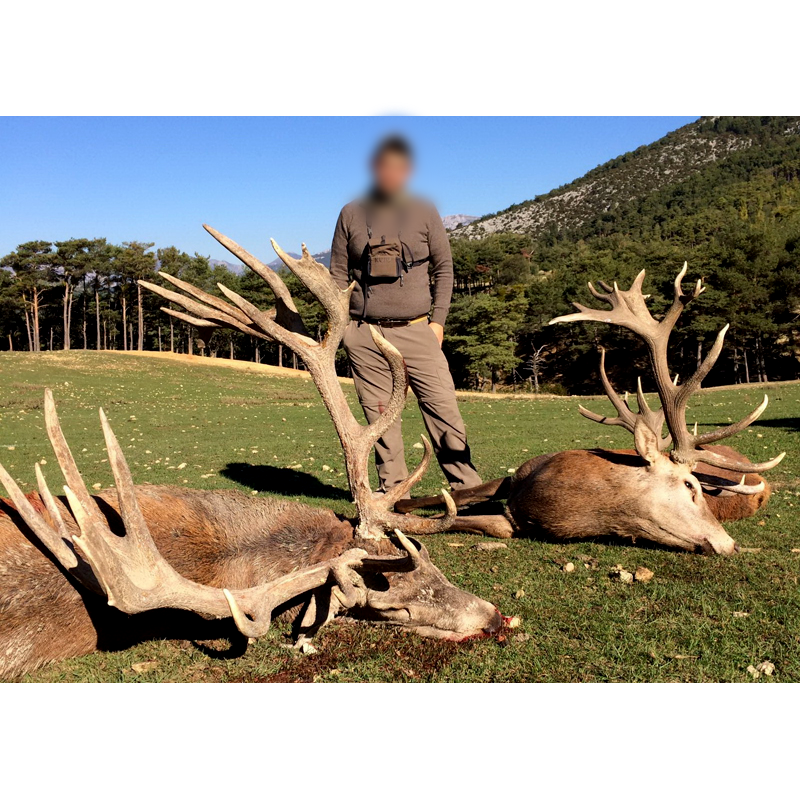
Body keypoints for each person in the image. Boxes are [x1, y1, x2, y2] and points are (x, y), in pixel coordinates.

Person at [330, 134, 482, 495]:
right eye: (384, 166)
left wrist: (438, 321)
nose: (391, 174)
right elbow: (336, 274)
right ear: (374, 168)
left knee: (442, 408)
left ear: (408, 171)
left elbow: (444, 269)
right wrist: (342, 329)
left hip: (418, 331)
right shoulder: (351, 213)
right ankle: (394, 494)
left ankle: (468, 490)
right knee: (381, 418)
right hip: (365, 334)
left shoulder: (424, 210)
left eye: (398, 167)